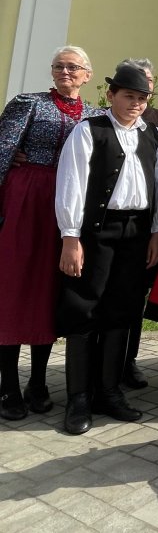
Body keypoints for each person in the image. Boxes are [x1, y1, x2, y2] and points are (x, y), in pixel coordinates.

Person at [55, 64, 158, 434]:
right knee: (85, 307)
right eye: (128, 96)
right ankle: (78, 399)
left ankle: (109, 392)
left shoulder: (153, 134)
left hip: (137, 232)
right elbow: (72, 183)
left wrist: (156, 232)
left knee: (122, 310)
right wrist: (71, 237)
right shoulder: (89, 130)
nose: (135, 104)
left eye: (141, 98)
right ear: (112, 96)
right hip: (96, 232)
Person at [0, 46, 102, 421]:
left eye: (73, 67)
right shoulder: (28, 103)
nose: (64, 71)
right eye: (58, 65)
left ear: (87, 74)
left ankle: (38, 382)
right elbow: (2, 150)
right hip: (27, 200)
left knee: (49, 289)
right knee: (14, 287)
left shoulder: (95, 115)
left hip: (67, 207)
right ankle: (8, 384)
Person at [118, 57, 158, 391]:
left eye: (148, 79)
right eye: (136, 80)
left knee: (133, 297)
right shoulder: (103, 120)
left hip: (148, 225)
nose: (144, 85)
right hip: (108, 225)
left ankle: (128, 362)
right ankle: (100, 367)